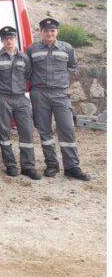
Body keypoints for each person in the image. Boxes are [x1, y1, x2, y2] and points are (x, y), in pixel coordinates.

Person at [28, 17, 90, 181]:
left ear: (57, 31)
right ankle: (51, 165)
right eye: (46, 30)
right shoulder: (32, 49)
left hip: (61, 94)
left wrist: (59, 82)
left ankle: (72, 167)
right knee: (44, 130)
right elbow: (28, 71)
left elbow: (72, 67)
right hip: (39, 94)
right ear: (40, 31)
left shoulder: (67, 48)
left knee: (67, 129)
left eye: (52, 30)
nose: (49, 33)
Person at [0, 26, 38, 179]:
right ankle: (10, 165)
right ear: (2, 40)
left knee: (27, 132)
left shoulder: (24, 58)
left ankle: (28, 166)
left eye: (11, 37)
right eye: (5, 38)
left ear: (15, 39)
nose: (8, 40)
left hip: (20, 98)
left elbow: (28, 75)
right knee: (4, 133)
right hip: (2, 98)